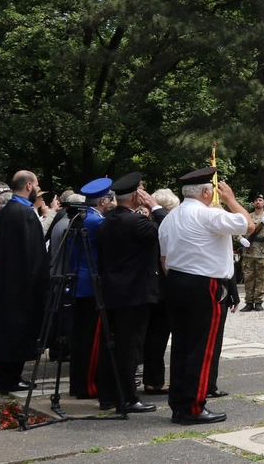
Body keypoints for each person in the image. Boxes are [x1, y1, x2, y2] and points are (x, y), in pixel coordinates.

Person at [158, 168, 252, 425]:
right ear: (206, 192)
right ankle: (194, 406)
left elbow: (164, 259)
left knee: (181, 346)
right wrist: (231, 199)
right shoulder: (209, 214)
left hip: (176, 282)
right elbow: (249, 225)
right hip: (204, 284)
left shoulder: (170, 217)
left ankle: (179, 403)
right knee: (203, 348)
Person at [0, 170, 48, 393]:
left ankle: (8, 377)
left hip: (7, 283)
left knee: (8, 333)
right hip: (21, 285)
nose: (37, 188)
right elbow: (32, 253)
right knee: (16, 334)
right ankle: (10, 379)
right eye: (36, 184)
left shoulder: (8, 211)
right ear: (28, 186)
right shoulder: (23, 213)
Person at [94, 172, 160, 414]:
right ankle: (128, 397)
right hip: (134, 293)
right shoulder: (138, 222)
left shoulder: (107, 220)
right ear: (136, 196)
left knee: (110, 344)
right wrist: (155, 206)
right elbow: (166, 229)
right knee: (130, 347)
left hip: (112, 290)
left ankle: (108, 395)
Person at [68, 179, 114, 400]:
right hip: (92, 284)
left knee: (81, 339)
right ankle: (89, 385)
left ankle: (78, 383)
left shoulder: (81, 218)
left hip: (79, 281)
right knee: (93, 341)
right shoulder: (97, 221)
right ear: (103, 200)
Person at [142, 186, 179, 396]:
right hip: (162, 289)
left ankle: (152, 379)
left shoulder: (146, 226)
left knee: (152, 338)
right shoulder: (162, 227)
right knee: (158, 337)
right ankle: (155, 381)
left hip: (149, 288)